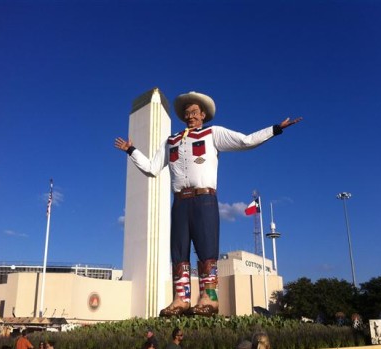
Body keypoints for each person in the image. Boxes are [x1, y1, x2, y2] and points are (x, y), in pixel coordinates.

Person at [115, 91, 302, 317]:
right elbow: (152, 168)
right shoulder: (171, 141)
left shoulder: (213, 133)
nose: (190, 116)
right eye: (187, 113)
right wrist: (131, 150)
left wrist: (275, 129)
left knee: (206, 249)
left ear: (203, 115)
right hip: (180, 201)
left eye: (194, 112)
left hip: (204, 199)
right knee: (179, 251)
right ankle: (181, 299)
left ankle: (209, 298)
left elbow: (246, 141)